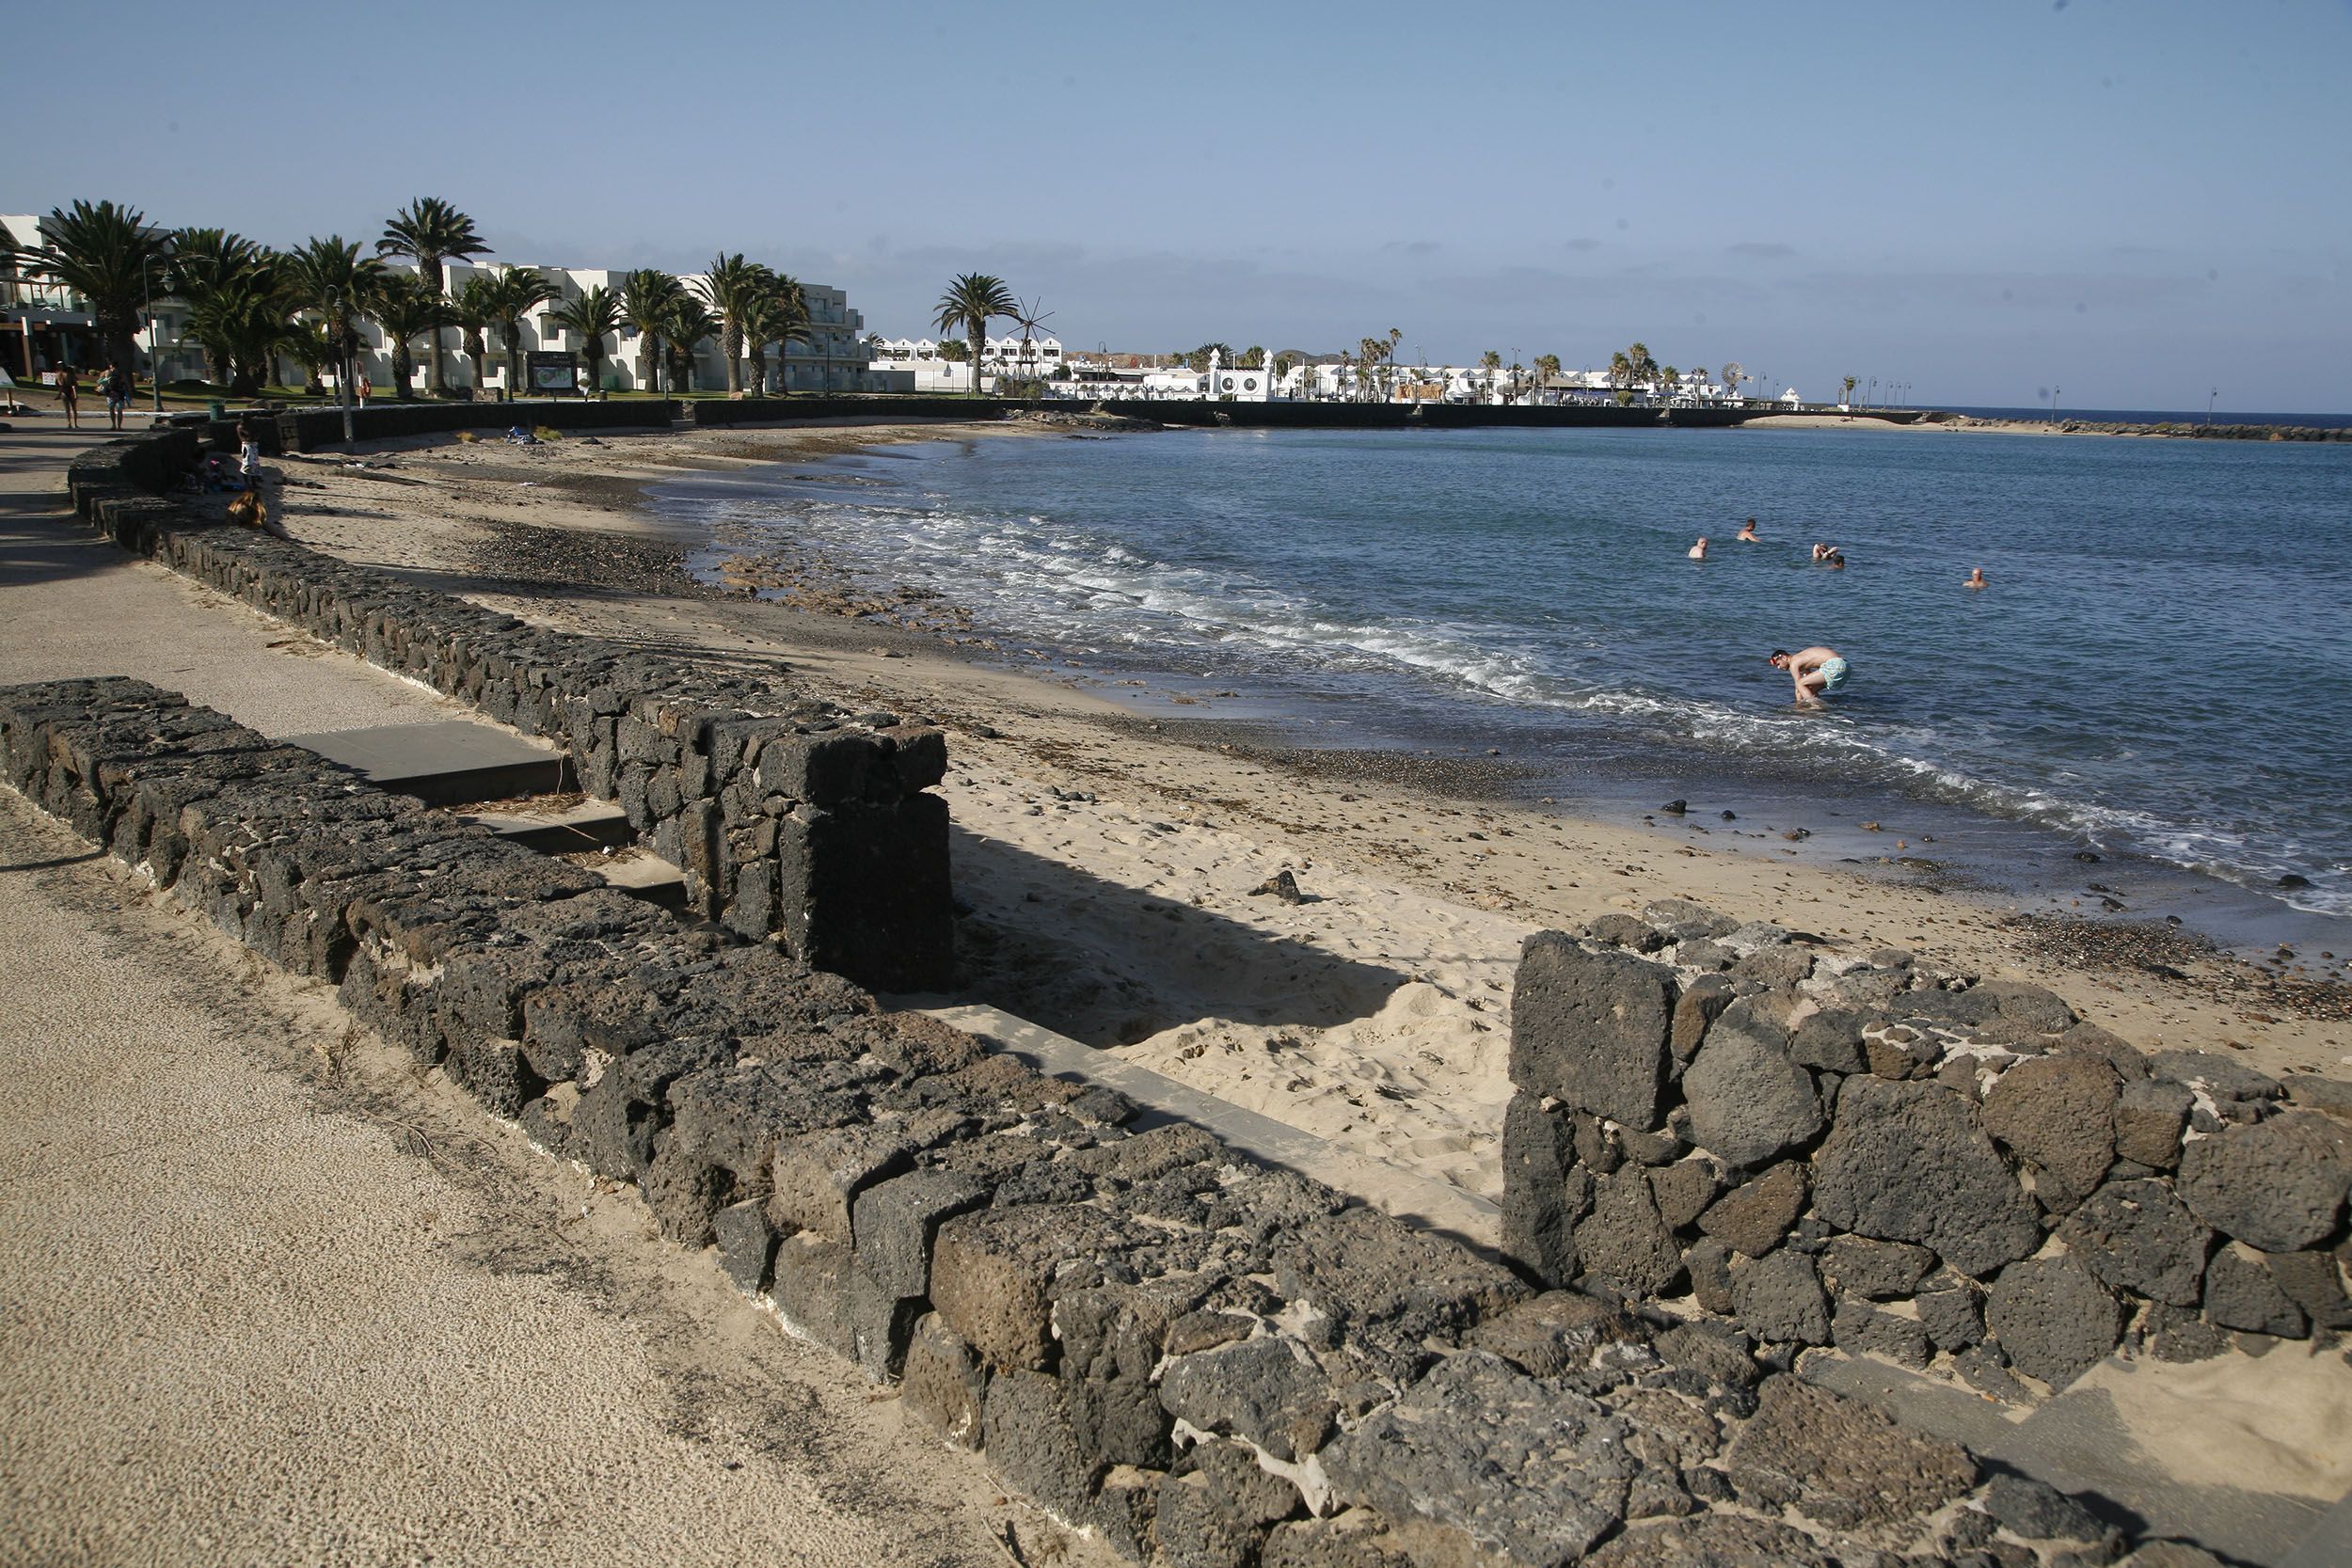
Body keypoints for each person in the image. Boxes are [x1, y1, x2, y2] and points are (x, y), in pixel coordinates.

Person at [1769, 645, 1851, 707]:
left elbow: (1798, 687)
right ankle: (1820, 707)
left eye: (1778, 664)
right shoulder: (1801, 659)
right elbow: (1806, 686)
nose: (1779, 668)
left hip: (1835, 665)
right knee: (1808, 689)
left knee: (1800, 683)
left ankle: (1815, 707)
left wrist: (1798, 706)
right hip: (1845, 667)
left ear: (1784, 657)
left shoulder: (1794, 662)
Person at [101, 362, 130, 430]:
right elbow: (125, 382)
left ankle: (113, 425)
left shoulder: (106, 372)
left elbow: (100, 381)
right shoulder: (121, 373)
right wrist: (128, 390)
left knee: (111, 409)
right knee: (120, 410)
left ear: (111, 366)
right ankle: (119, 426)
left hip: (110, 393)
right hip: (120, 393)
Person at [236, 419, 262, 484]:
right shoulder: (241, 427)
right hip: (247, 445)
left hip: (253, 445)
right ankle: (247, 483)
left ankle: (253, 483)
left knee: (254, 464)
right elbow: (249, 436)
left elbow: (255, 435)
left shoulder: (249, 426)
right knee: (247, 464)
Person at [57, 365, 80, 429]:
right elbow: (75, 385)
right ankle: (75, 424)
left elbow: (60, 386)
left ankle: (69, 423)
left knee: (67, 410)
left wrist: (59, 394)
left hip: (64, 392)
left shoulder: (60, 375)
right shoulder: (71, 376)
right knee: (74, 409)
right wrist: (76, 394)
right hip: (71, 392)